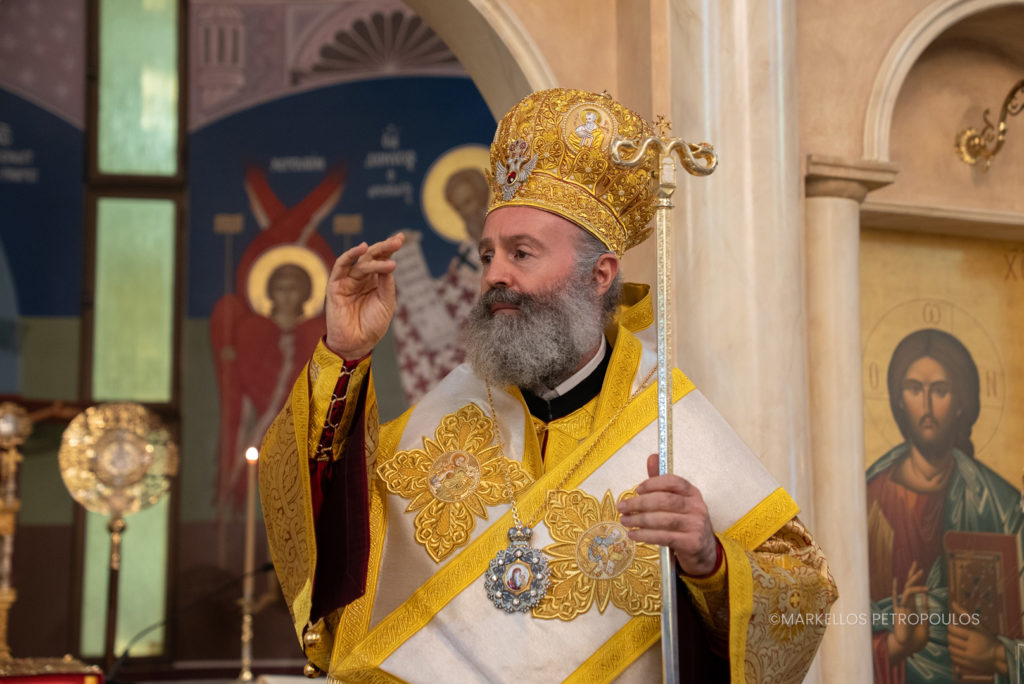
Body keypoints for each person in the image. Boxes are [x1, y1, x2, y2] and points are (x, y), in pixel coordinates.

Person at [260, 88, 837, 682]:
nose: (494, 276)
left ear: (600, 274)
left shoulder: (668, 416)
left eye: (521, 253)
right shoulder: (449, 408)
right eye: (487, 255)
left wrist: (710, 563)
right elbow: (327, 531)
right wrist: (345, 357)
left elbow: (803, 597)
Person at [866, 328, 1023, 683]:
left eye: (940, 390)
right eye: (914, 389)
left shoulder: (1001, 506)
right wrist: (895, 645)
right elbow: (833, 629)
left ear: (961, 401)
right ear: (899, 399)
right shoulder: (867, 500)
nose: (927, 404)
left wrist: (998, 655)